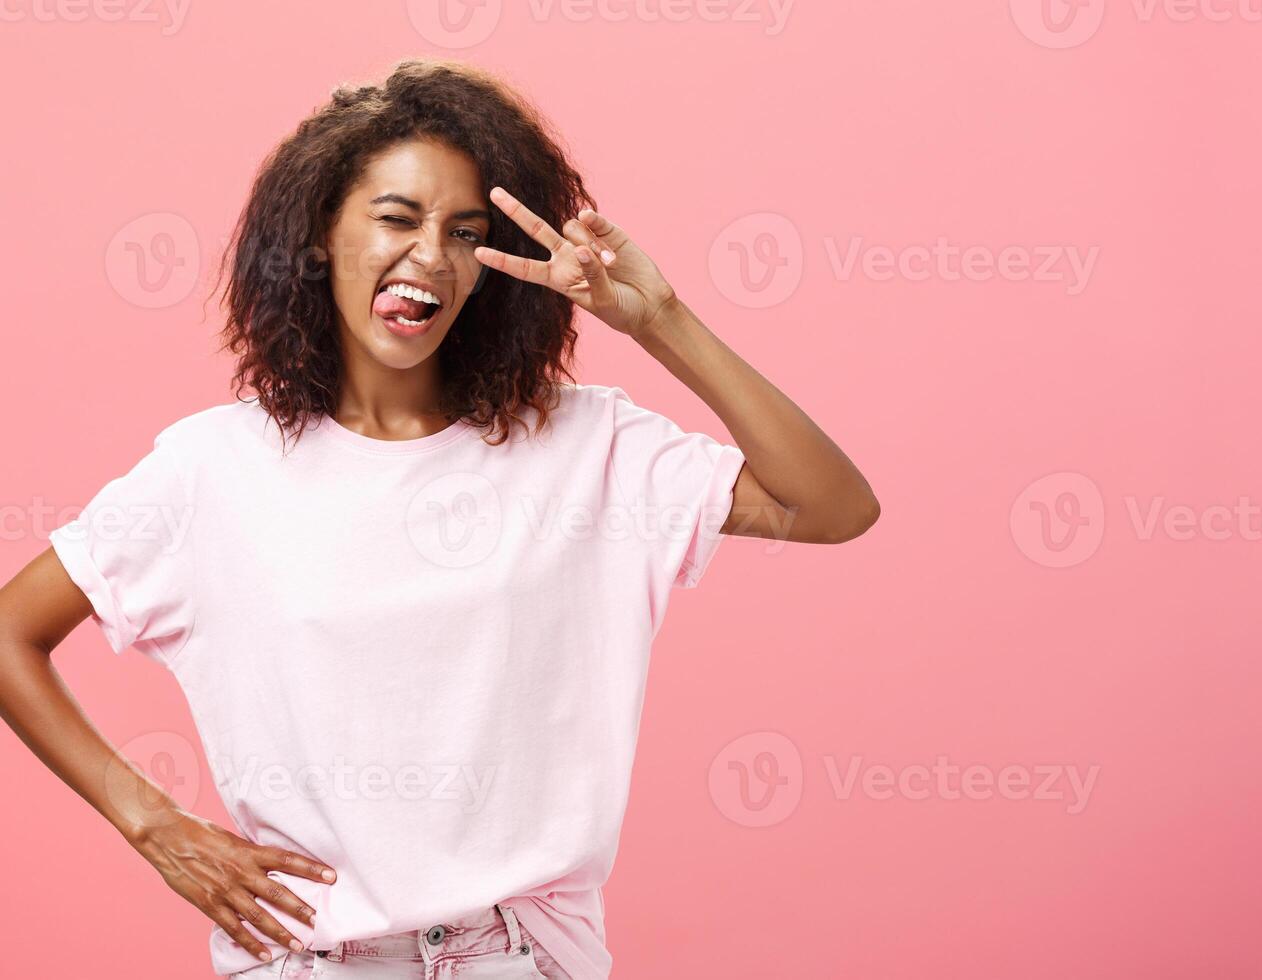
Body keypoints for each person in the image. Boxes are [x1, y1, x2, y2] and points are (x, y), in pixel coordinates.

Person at [0, 58, 877, 980]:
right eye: (395, 218)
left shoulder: (587, 446)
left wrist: (658, 317)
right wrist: (155, 825)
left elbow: (829, 506)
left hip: (521, 957)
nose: (431, 255)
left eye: (466, 232)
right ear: (318, 236)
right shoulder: (213, 470)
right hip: (310, 959)